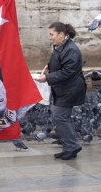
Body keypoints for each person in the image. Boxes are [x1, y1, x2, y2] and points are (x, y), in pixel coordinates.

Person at [35, 22, 86, 160]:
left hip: (70, 90)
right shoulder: (60, 46)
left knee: (59, 117)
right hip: (64, 89)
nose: (50, 37)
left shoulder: (71, 49)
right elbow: (60, 64)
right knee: (63, 118)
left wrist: (47, 78)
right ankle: (69, 147)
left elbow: (67, 72)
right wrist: (49, 69)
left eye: (52, 34)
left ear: (61, 34)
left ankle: (73, 146)